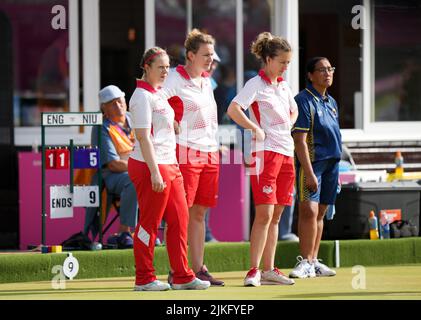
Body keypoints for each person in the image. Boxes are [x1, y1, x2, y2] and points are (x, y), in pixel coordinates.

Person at [128, 47, 210, 291]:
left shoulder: (159, 93)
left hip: (169, 164)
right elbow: (143, 137)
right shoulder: (141, 96)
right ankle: (144, 278)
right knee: (149, 223)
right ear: (146, 67)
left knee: (180, 219)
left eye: (167, 67)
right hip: (149, 165)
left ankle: (183, 276)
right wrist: (154, 172)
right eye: (160, 67)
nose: (165, 72)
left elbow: (160, 121)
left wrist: (172, 123)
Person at [227, 32, 297, 287]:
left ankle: (269, 269)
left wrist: (287, 125)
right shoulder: (254, 85)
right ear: (268, 59)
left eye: (288, 63)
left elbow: (294, 109)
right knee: (264, 214)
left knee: (277, 215)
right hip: (264, 154)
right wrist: (253, 129)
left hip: (287, 153)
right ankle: (253, 270)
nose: (285, 67)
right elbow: (233, 109)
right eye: (282, 62)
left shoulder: (284, 85)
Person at [161, 29, 224, 286]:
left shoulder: (207, 81)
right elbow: (157, 101)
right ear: (190, 55)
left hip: (209, 152)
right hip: (184, 151)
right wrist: (169, 122)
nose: (210, 59)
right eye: (205, 55)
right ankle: (177, 269)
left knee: (200, 213)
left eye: (212, 54)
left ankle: (198, 268)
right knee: (180, 213)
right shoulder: (174, 78)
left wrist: (215, 144)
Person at [289, 57, 341, 278]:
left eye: (330, 69)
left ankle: (314, 261)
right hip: (312, 165)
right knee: (308, 210)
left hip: (333, 165)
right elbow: (299, 140)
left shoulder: (331, 102)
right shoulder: (302, 100)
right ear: (310, 75)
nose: (327, 73)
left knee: (320, 212)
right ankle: (305, 261)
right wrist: (309, 172)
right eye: (322, 70)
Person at [85, 85, 138, 249]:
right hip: (111, 176)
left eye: (120, 101)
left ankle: (149, 231)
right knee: (134, 179)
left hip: (136, 168)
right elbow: (113, 164)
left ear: (125, 101)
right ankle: (124, 232)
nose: (118, 106)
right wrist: (143, 166)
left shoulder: (135, 119)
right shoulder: (101, 127)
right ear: (104, 109)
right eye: (112, 103)